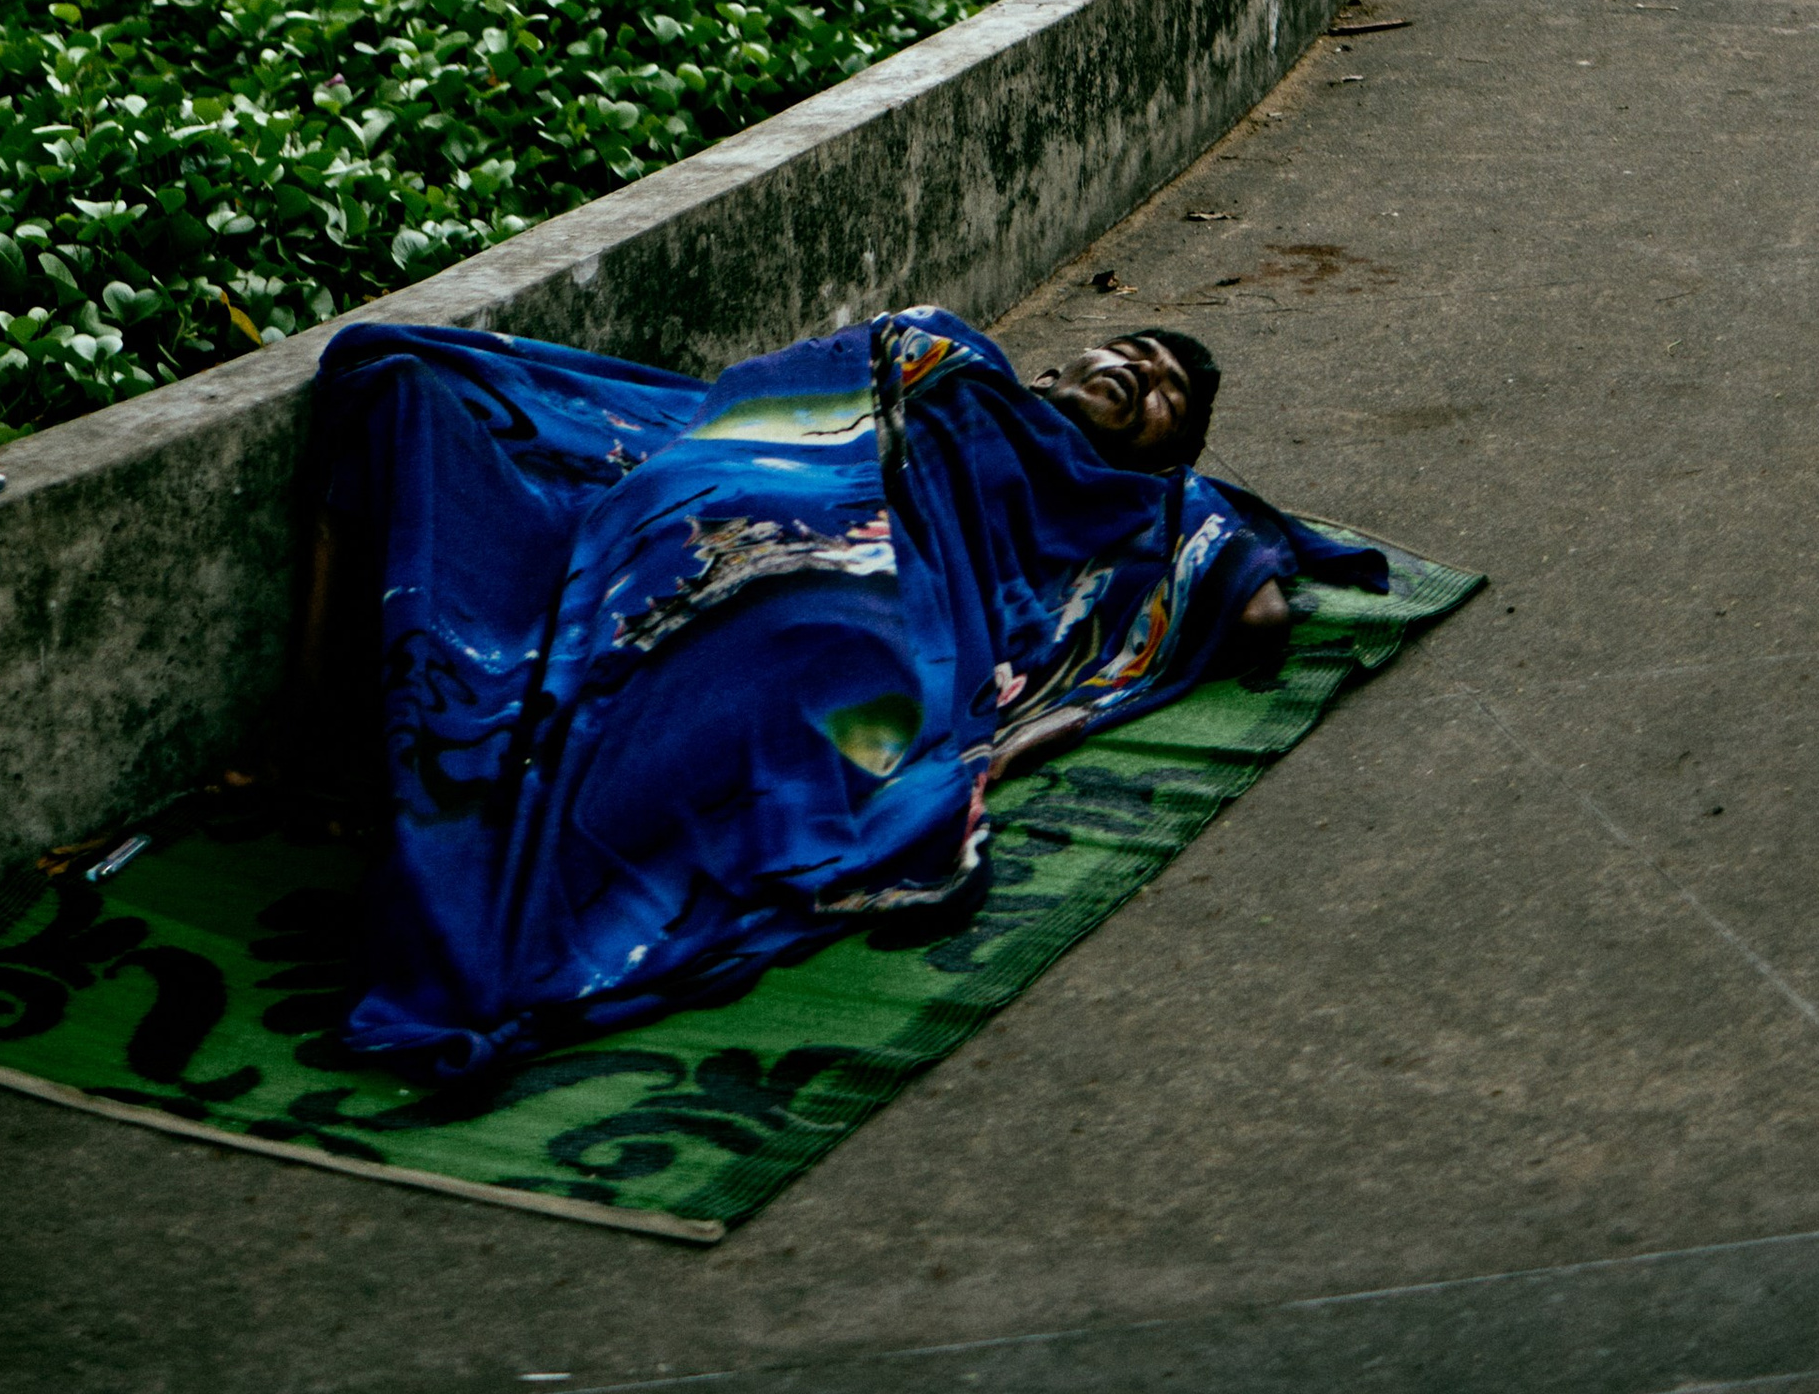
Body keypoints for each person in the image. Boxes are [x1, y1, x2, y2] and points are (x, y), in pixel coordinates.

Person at [298, 301, 1386, 1074]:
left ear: (1173, 455)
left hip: (879, 594)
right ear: (1064, 361)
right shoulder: (956, 358)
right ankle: (348, 730)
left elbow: (1257, 613)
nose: (1142, 375)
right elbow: (799, 391)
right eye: (1134, 352)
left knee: (805, 655)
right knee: (412, 381)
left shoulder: (1138, 509)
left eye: (1166, 396)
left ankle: (537, 873)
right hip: (741, 480)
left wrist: (1195, 500)